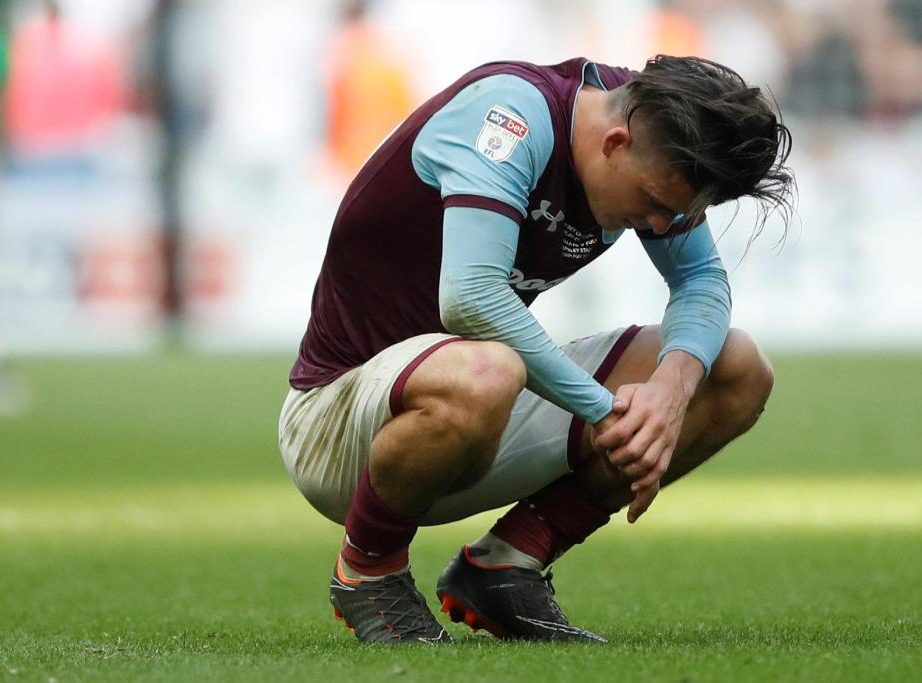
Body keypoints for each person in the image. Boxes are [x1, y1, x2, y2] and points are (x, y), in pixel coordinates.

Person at [278, 55, 794, 645]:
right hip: (344, 428)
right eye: (652, 201)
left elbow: (701, 280)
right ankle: (369, 569)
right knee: (487, 369)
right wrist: (607, 412)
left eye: (673, 214)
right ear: (615, 141)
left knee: (734, 368)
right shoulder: (510, 116)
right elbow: (470, 299)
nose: (657, 222)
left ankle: (507, 565)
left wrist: (670, 394)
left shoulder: (654, 126)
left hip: (477, 409)